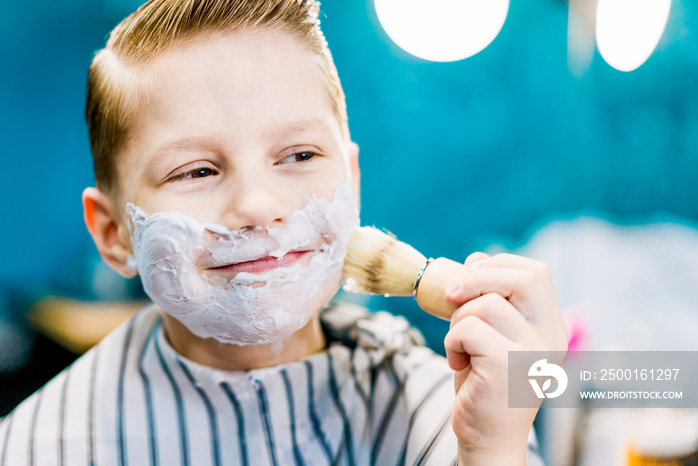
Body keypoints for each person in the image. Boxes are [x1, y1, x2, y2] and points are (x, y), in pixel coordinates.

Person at [0, 0, 567, 464]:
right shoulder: (37, 447)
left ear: (351, 181)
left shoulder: (441, 415)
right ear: (113, 234)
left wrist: (494, 445)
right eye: (196, 170)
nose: (257, 204)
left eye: (298, 154)